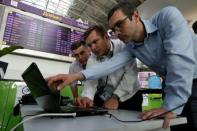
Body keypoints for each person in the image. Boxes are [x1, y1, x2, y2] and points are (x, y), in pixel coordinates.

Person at [47, 2, 197, 130]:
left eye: (120, 24)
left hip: (191, 79)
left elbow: (181, 63)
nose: (117, 32)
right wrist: (75, 76)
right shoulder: (131, 47)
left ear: (136, 16)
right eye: (114, 29)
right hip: (171, 83)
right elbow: (109, 65)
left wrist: (170, 106)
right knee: (176, 124)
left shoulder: (167, 17)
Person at [75, 25, 141, 110]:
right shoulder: (92, 58)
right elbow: (91, 82)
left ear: (106, 37)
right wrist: (87, 98)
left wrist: (115, 97)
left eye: (95, 42)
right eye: (90, 45)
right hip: (106, 97)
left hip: (130, 96)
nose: (93, 48)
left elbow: (130, 75)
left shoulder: (123, 46)